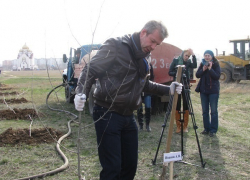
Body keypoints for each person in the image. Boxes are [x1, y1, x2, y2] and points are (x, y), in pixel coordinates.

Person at [74, 20, 183, 180]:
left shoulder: (146, 55)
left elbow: (143, 84)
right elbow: (90, 70)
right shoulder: (116, 46)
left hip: (128, 116)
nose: (153, 47)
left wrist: (169, 89)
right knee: (113, 168)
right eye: (153, 41)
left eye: (157, 44)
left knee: (130, 167)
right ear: (144, 32)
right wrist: (80, 92)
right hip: (107, 113)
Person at [169, 49, 197, 133]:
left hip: (185, 85)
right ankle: (178, 126)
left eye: (189, 56)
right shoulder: (176, 60)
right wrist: (178, 73)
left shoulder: (188, 62)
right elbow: (170, 72)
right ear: (182, 55)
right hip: (177, 85)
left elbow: (195, 65)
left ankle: (185, 126)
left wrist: (194, 55)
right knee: (177, 104)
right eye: (186, 55)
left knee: (186, 105)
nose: (187, 57)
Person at [195, 50, 221, 137]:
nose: (207, 57)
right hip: (204, 91)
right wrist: (203, 69)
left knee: (213, 111)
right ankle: (206, 129)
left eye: (208, 55)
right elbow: (197, 75)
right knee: (205, 111)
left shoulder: (216, 64)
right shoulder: (202, 64)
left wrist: (210, 69)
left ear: (212, 56)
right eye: (205, 55)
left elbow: (217, 76)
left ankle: (213, 130)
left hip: (213, 91)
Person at [137, 62, 154, 132]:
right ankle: (141, 125)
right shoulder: (138, 64)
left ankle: (147, 125)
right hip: (139, 90)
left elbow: (152, 77)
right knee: (139, 108)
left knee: (148, 107)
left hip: (147, 91)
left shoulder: (149, 65)